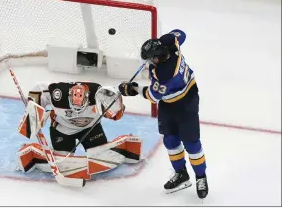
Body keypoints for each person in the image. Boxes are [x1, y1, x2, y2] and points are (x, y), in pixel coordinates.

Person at [118, 29, 208, 199]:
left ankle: (201, 177)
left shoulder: (166, 74)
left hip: (186, 103)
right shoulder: (170, 42)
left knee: (191, 143)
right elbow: (181, 34)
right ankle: (181, 173)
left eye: (151, 59)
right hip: (169, 104)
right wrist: (158, 43)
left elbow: (153, 96)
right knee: (170, 140)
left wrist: (133, 88)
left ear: (157, 58)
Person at [16, 81, 142, 181]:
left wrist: (119, 100)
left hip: (90, 128)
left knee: (101, 155)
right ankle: (31, 149)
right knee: (63, 162)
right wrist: (34, 111)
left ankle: (120, 145)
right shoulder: (59, 93)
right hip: (62, 130)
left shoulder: (98, 93)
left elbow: (113, 97)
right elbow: (39, 90)